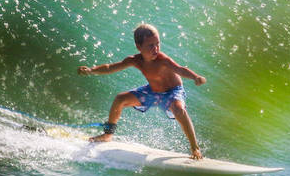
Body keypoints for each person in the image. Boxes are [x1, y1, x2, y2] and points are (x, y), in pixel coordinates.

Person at [77, 23, 206, 159]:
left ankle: (195, 148)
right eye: (150, 45)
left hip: (172, 92)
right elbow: (110, 67)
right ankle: (108, 134)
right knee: (120, 99)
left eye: (157, 44)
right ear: (139, 47)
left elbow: (180, 69)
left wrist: (195, 77)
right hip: (152, 92)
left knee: (179, 109)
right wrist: (92, 70)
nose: (155, 48)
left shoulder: (163, 60)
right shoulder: (136, 60)